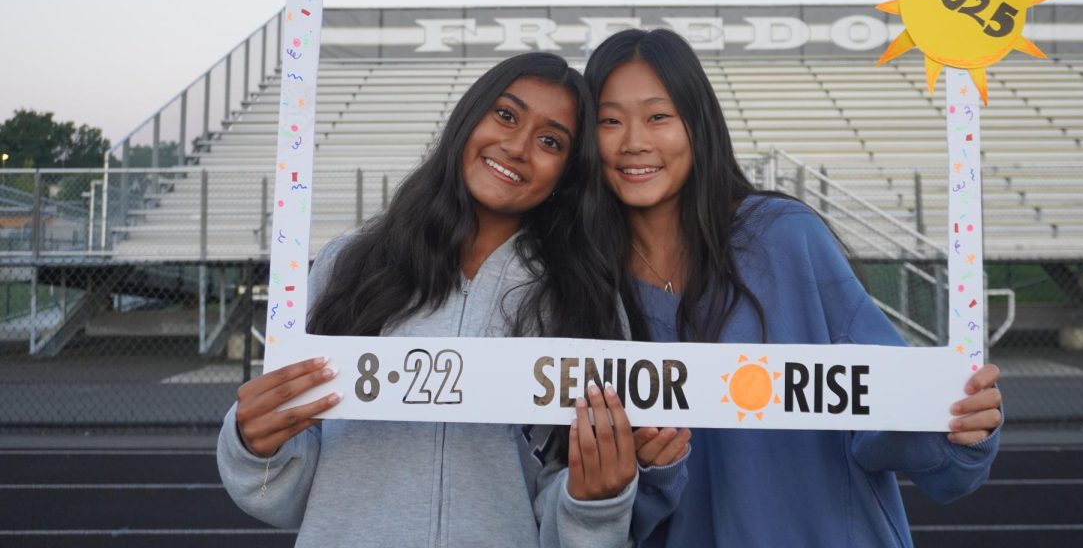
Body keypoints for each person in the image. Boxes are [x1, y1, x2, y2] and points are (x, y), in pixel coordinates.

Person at [217, 52, 689, 548]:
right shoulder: (349, 263)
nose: (517, 146)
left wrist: (595, 502)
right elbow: (281, 495)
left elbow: (565, 523)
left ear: (568, 173)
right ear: (468, 118)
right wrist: (255, 446)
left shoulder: (585, 298)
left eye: (550, 140)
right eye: (506, 115)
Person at [584, 29, 1003, 548]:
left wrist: (958, 421)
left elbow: (893, 421)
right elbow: (596, 510)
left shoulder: (783, 236)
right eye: (609, 120)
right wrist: (645, 473)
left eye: (658, 116)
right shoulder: (583, 281)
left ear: (698, 124)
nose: (633, 142)